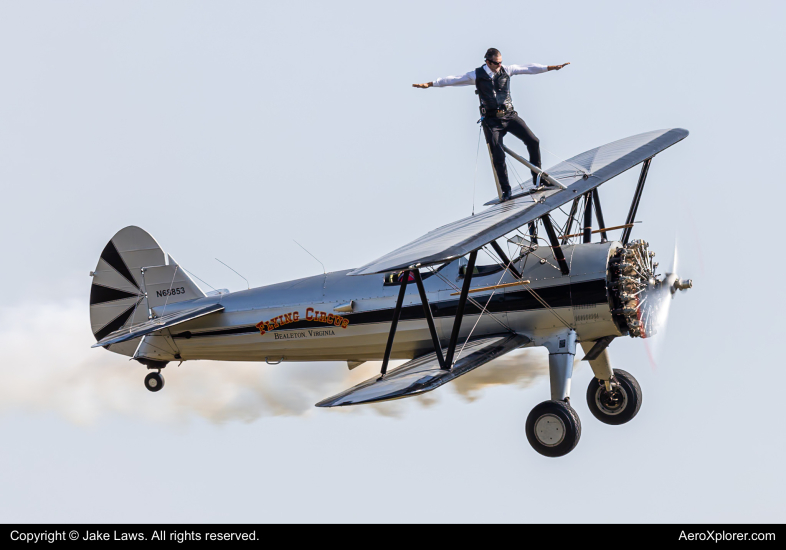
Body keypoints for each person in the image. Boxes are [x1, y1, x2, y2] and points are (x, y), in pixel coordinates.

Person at [414, 48, 569, 201]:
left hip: (509, 116)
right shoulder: (476, 75)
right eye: (496, 63)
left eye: (500, 62)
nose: (499, 66)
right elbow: (453, 79)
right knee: (498, 154)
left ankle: (539, 179)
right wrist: (430, 84)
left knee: (533, 141)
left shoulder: (507, 70)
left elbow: (528, 68)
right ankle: (506, 191)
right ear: (487, 62)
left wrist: (550, 68)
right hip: (491, 121)